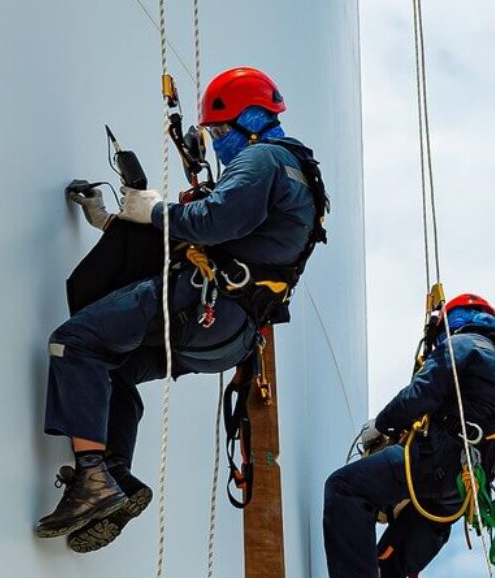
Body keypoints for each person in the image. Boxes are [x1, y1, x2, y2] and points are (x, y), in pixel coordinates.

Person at [35, 67, 327, 552]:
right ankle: (115, 479)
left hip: (204, 305)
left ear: (252, 118)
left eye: (218, 131)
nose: (214, 143)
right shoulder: (300, 180)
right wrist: (111, 220)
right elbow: (217, 239)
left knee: (76, 342)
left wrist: (148, 209)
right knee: (116, 370)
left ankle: (91, 479)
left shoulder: (263, 159)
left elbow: (209, 224)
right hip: (229, 335)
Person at [323, 293, 495, 578]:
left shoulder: (462, 345)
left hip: (435, 462)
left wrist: (381, 425)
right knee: (387, 569)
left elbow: (419, 395)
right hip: (459, 491)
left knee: (346, 489)